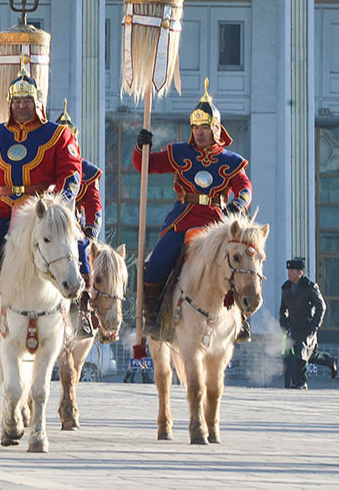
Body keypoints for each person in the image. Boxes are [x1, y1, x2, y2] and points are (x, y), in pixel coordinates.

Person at [0, 65, 82, 342]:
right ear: (9, 104)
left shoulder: (57, 134)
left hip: (42, 212)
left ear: (38, 103)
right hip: (1, 208)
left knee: (78, 256)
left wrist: (60, 208)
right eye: (17, 101)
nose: (22, 106)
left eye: (27, 101)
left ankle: (82, 313)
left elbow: (71, 173)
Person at [136, 79, 252, 340]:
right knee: (155, 266)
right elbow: (145, 166)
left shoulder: (230, 161)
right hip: (183, 221)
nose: (199, 132)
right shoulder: (180, 153)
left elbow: (244, 187)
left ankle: (241, 318)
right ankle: (153, 316)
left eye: (205, 127)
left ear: (216, 129)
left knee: (242, 262)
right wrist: (141, 146)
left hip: (217, 224)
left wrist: (238, 205)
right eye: (195, 127)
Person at [55, 100, 103, 338]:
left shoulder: (87, 171)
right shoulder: (43, 165)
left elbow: (94, 206)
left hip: (72, 228)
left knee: (82, 250)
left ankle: (82, 311)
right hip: (44, 226)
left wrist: (91, 233)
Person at [280, 257, 334, 388]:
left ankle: (301, 382)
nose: (289, 273)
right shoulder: (286, 287)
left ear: (300, 273)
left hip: (307, 326)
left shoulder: (309, 286)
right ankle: (329, 360)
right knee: (307, 355)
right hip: (293, 326)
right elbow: (283, 309)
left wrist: (314, 325)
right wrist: (283, 322)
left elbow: (322, 307)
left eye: (292, 270)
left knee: (301, 350)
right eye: (289, 270)